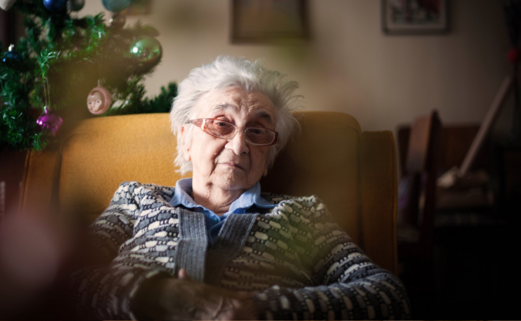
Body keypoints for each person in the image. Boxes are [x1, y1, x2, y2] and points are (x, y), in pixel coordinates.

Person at [69, 56, 410, 320]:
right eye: (222, 124)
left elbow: (386, 295)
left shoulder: (303, 214)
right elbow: (64, 281)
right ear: (186, 138)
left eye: (257, 132)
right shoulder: (137, 199)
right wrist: (155, 295)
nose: (238, 146)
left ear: (268, 156)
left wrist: (261, 310)